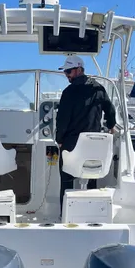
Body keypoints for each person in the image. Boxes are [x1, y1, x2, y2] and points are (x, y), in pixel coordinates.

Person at [55, 55, 116, 211]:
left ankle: (65, 213)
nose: (66, 75)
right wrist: (111, 126)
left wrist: (59, 139)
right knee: (91, 175)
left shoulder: (69, 92)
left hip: (71, 144)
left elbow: (62, 120)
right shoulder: (98, 89)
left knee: (66, 178)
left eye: (68, 71)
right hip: (94, 145)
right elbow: (110, 110)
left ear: (79, 70)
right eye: (65, 72)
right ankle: (91, 212)